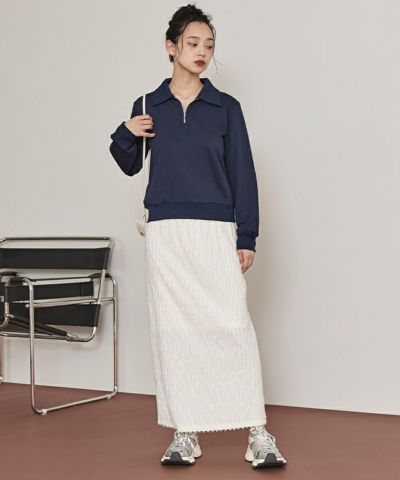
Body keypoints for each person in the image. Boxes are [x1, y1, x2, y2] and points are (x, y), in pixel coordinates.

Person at [109, 2, 287, 470]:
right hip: (166, 232)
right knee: (174, 331)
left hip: (215, 229)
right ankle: (184, 432)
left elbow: (243, 173)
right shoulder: (148, 105)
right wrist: (125, 131)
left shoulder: (226, 108)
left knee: (232, 326)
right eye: (192, 43)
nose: (202, 51)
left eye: (209, 44)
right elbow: (129, 164)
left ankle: (257, 432)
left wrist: (247, 235)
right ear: (171, 47)